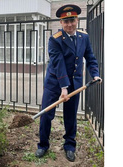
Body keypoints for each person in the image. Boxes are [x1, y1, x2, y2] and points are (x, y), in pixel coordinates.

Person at [35, 4, 102, 162]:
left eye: (72, 20)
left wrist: (95, 74)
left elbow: (90, 58)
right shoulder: (55, 40)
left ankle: (70, 146)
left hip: (75, 83)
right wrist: (63, 87)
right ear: (61, 23)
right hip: (54, 83)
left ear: (77, 20)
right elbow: (59, 64)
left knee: (71, 115)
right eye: (66, 21)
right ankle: (43, 145)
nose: (69, 24)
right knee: (46, 114)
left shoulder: (83, 37)